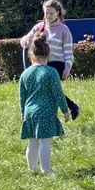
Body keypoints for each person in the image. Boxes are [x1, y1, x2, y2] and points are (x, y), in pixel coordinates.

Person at [19, 32, 70, 175]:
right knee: (45, 142)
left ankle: (32, 168)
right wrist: (65, 111)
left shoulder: (25, 74)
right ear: (48, 55)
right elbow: (58, 94)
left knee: (33, 142)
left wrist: (23, 113)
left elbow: (21, 97)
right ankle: (46, 169)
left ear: (32, 56)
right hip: (46, 112)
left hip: (29, 112)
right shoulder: (51, 72)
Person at [21, 0, 74, 78]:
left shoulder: (64, 30)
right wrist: (26, 40)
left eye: (51, 13)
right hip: (40, 63)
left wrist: (67, 69)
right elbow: (26, 38)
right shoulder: (39, 27)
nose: (48, 16)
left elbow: (68, 52)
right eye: (46, 13)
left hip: (57, 65)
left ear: (57, 13)